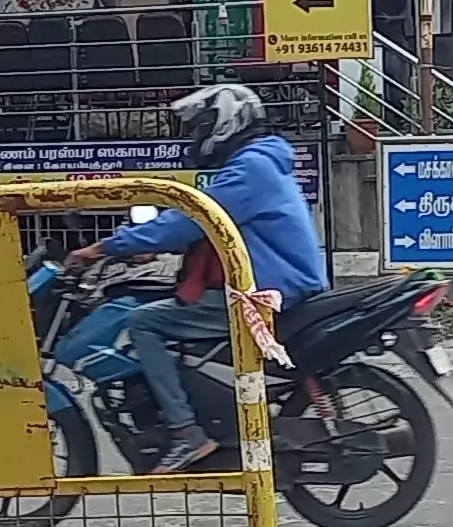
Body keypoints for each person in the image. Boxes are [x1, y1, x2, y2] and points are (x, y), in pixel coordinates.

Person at [70, 83, 326, 474]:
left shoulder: (250, 168)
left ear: (227, 122)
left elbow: (189, 220)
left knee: (144, 321)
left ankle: (186, 432)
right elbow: (207, 226)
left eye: (202, 126)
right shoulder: (259, 161)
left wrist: (102, 248)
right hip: (276, 281)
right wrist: (151, 246)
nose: (196, 136)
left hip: (267, 290)